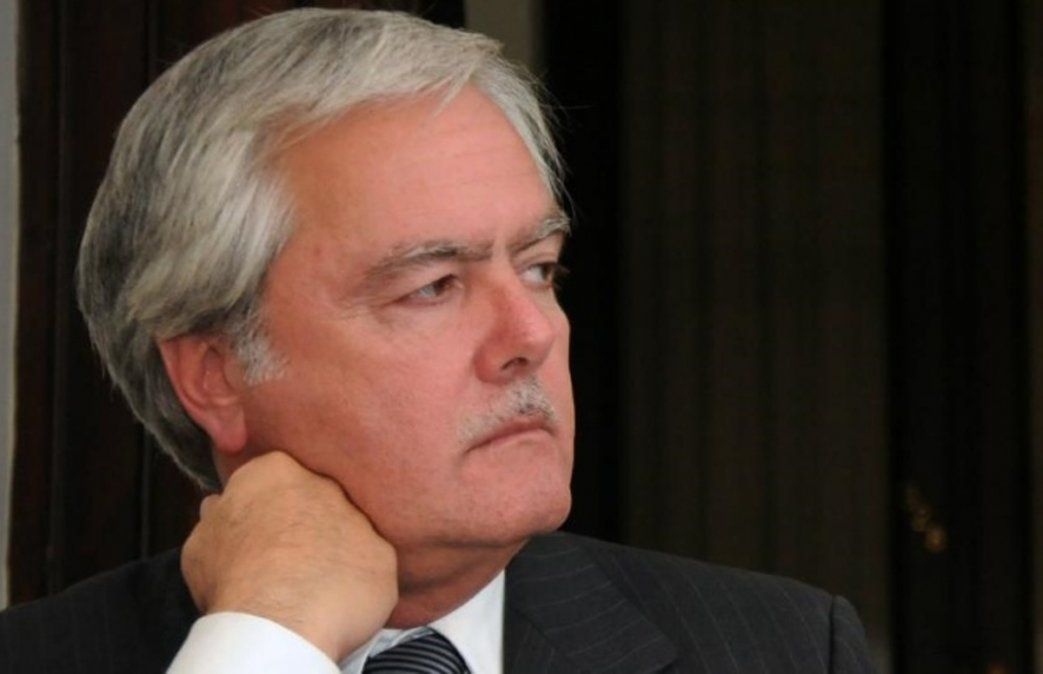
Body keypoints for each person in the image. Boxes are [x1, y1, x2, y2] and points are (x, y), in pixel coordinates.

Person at [0, 8, 875, 673]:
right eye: (432, 287)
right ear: (215, 374)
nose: (530, 334)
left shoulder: (784, 648)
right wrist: (268, 640)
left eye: (538, 268)